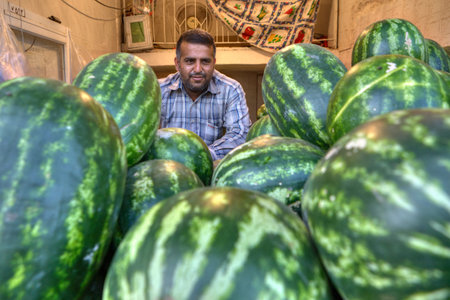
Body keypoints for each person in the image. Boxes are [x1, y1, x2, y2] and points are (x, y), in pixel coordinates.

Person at [158, 29, 251, 161]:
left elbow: (240, 135)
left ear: (213, 63)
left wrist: (202, 156)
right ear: (177, 64)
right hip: (168, 168)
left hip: (210, 167)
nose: (197, 69)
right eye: (190, 61)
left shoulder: (230, 89)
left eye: (205, 61)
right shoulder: (159, 90)